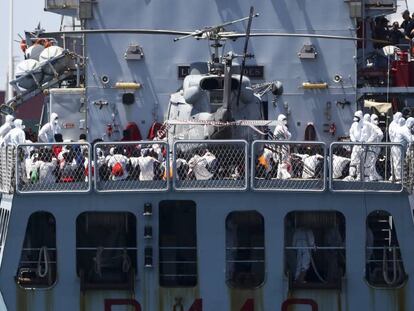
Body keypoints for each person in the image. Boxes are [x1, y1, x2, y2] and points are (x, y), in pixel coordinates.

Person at [346, 110, 364, 180]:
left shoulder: (364, 125)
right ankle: (351, 175)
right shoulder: (354, 125)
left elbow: (365, 133)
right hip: (356, 145)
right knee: (353, 160)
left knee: (361, 161)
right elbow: (351, 133)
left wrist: (362, 140)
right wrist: (354, 140)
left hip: (363, 145)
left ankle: (359, 176)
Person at [365, 114, 384, 181]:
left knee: (372, 162)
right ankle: (371, 175)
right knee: (371, 162)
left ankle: (373, 174)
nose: (377, 121)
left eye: (377, 119)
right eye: (375, 119)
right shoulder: (374, 127)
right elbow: (380, 134)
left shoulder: (371, 126)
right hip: (373, 147)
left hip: (375, 147)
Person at [274, 114, 292, 179]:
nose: (285, 121)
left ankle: (279, 176)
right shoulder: (281, 128)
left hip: (283, 146)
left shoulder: (280, 127)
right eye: (283, 120)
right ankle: (286, 175)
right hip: (283, 147)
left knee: (281, 161)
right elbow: (289, 135)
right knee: (283, 161)